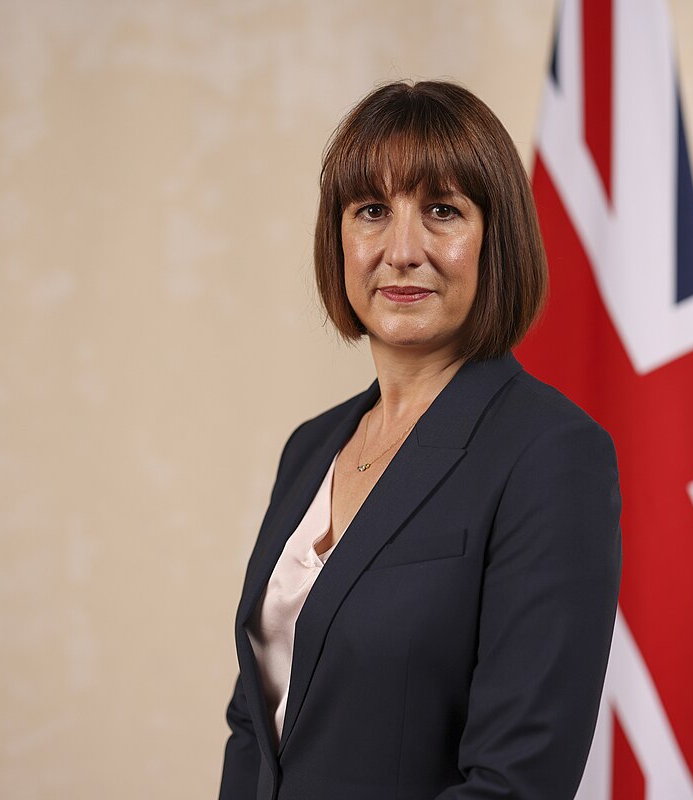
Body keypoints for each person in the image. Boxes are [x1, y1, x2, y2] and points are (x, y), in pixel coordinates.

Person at [219, 80, 622, 800]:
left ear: (497, 240)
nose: (402, 250)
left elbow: (517, 781)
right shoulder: (309, 448)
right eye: (372, 211)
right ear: (339, 238)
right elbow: (255, 723)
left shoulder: (550, 454)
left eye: (442, 211)